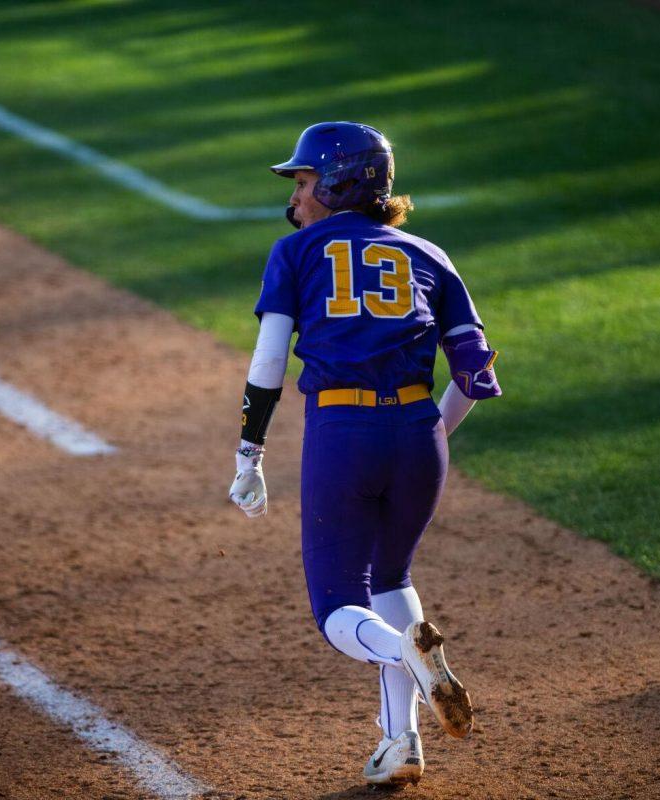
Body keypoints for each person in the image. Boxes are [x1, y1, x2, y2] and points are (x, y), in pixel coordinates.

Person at [228, 122, 502, 786]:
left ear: (339, 182)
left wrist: (248, 450)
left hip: (342, 435)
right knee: (392, 581)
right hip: (419, 435)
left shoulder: (294, 253)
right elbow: (477, 377)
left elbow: (269, 365)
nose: (296, 198)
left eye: (303, 181)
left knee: (338, 606)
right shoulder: (432, 256)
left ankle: (404, 653)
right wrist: (427, 433)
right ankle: (399, 744)